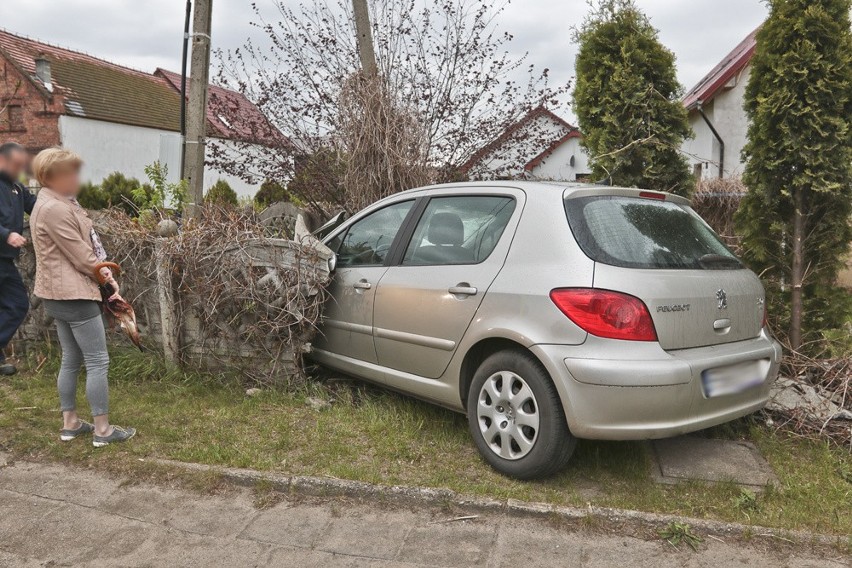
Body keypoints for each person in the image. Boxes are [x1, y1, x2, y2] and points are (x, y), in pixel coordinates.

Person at [29, 147, 135, 446]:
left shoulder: (54, 202)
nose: (77, 177)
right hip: (73, 295)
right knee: (98, 360)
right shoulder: (56, 209)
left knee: (72, 358)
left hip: (58, 295)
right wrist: (108, 281)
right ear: (51, 176)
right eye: (70, 172)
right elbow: (83, 258)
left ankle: (71, 423)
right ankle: (102, 430)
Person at [0, 142, 36, 376]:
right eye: (16, 165)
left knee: (18, 304)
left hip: (5, 261)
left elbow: (37, 206)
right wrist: (6, 234)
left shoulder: (16, 188)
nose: (19, 170)